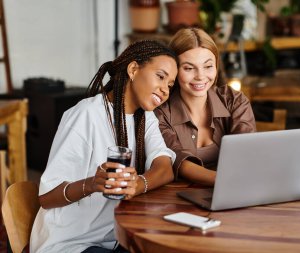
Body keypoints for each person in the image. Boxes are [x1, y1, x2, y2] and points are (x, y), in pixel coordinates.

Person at [30, 40, 178, 253]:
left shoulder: (145, 118)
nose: (165, 90)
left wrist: (138, 184)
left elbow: (164, 168)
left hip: (113, 239)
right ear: (134, 69)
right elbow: (46, 198)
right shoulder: (85, 115)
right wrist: (92, 184)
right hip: (69, 244)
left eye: (170, 85)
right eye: (161, 77)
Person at [155, 28, 256, 187]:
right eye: (189, 68)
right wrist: (226, 181)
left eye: (208, 66)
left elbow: (245, 152)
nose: (200, 76)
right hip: (177, 198)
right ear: (173, 69)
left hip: (234, 191)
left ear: (216, 65)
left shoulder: (234, 101)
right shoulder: (161, 112)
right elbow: (178, 162)